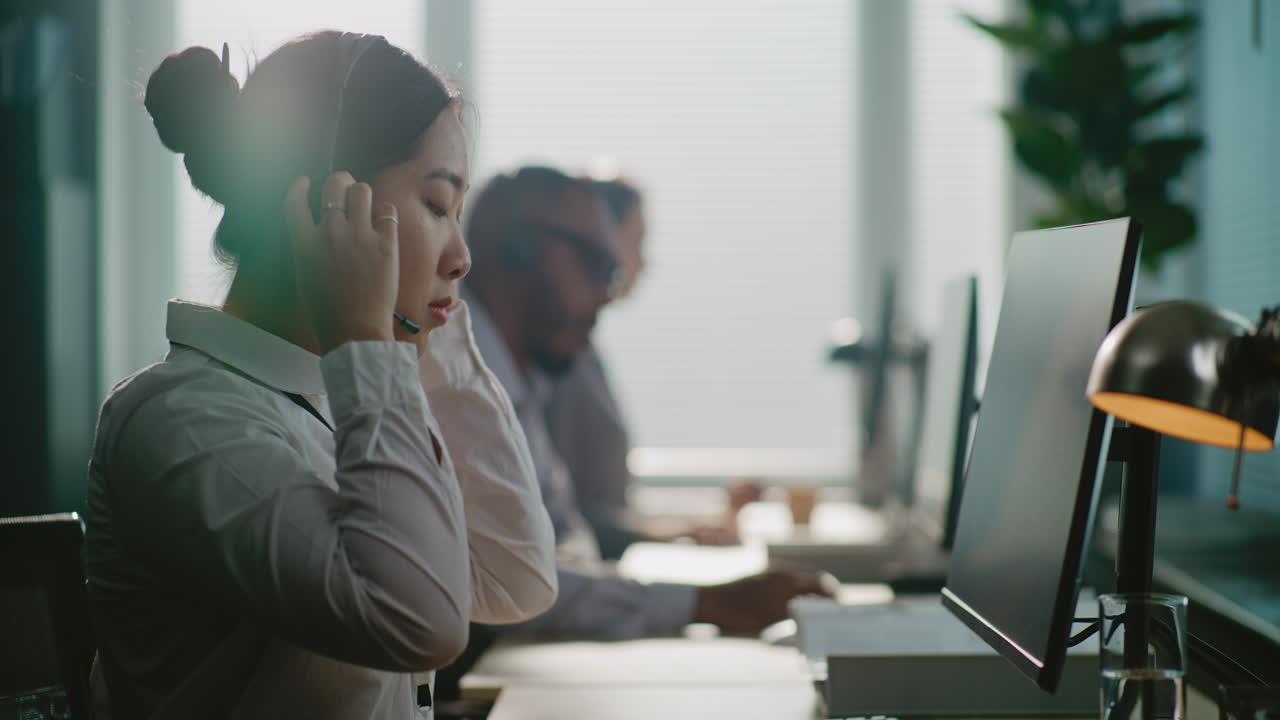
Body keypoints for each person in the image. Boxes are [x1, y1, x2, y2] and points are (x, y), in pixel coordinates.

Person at [84, 32, 557, 720]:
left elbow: (515, 575)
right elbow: (416, 620)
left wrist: (427, 324)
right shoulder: (184, 423)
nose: (462, 255)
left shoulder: (337, 400)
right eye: (436, 206)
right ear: (329, 205)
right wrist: (373, 343)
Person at [458, 165, 833, 641]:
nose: (607, 293)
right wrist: (707, 601)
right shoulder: (457, 386)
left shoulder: (523, 383)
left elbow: (566, 551)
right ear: (518, 249)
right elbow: (521, 590)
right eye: (594, 263)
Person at [544, 176, 738, 560]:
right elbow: (562, 514)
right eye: (637, 243)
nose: (644, 262)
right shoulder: (557, 358)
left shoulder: (583, 350)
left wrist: (690, 521)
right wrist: (672, 533)